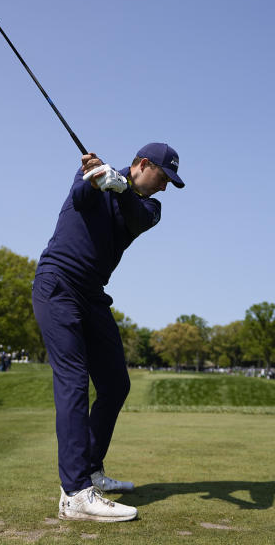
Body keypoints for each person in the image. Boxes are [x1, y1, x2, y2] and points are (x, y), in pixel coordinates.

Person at [32, 143, 184, 522]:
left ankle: (92, 468)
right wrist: (97, 175)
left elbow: (135, 218)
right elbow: (83, 195)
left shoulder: (150, 207)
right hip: (58, 285)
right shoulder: (95, 176)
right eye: (163, 178)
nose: (164, 187)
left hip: (93, 296)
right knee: (73, 381)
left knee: (116, 383)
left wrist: (119, 185)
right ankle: (75, 493)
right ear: (143, 165)